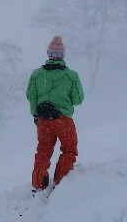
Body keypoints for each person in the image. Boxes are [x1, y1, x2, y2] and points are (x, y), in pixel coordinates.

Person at [26, 36, 84, 191]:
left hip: (43, 120)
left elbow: (31, 95)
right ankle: (61, 180)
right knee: (69, 149)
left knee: (43, 150)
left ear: (49, 54)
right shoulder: (71, 76)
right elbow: (78, 100)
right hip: (63, 120)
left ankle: (38, 182)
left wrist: (35, 114)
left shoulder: (37, 74)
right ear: (62, 55)